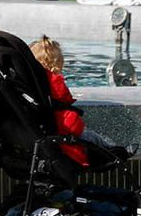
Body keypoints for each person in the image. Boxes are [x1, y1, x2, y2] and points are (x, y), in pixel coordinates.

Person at [29, 36, 113, 168]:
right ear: (55, 67)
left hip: (40, 135)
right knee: (94, 138)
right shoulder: (54, 82)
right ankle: (115, 150)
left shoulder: (31, 85)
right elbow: (66, 105)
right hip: (62, 132)